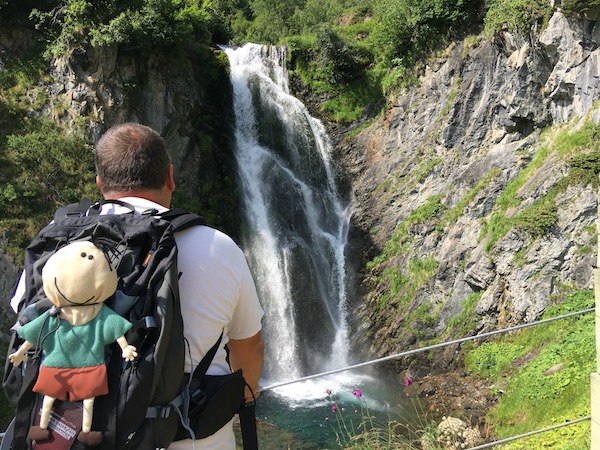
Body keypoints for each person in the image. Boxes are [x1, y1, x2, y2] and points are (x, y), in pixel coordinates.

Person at [10, 122, 265, 450]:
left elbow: (25, 318)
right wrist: (245, 398)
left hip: (73, 435)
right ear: (170, 177)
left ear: (101, 183)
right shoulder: (218, 246)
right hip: (191, 436)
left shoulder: (57, 240)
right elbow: (249, 345)